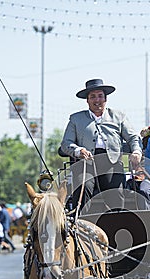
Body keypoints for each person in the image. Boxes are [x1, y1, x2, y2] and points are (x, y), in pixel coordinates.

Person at [59, 78, 142, 213]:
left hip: (112, 163)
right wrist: (78, 150)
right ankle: (80, 223)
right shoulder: (76, 119)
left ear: (105, 99)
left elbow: (133, 137)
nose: (97, 100)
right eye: (93, 97)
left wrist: (137, 152)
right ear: (87, 100)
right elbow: (65, 143)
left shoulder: (118, 116)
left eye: (100, 96)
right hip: (85, 164)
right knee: (83, 187)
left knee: (116, 193)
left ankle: (115, 224)